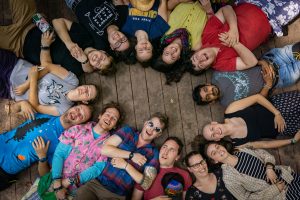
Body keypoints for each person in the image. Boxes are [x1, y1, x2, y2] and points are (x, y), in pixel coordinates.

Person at [22, 102, 124, 199]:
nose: (109, 118)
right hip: (52, 179)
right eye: (108, 114)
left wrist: (70, 181)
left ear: (114, 126)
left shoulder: (109, 144)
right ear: (100, 116)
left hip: (73, 191)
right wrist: (57, 182)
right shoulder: (77, 129)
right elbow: (60, 153)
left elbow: (97, 169)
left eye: (114, 118)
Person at [0, 0, 113, 77]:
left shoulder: (74, 71)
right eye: (102, 58)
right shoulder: (86, 38)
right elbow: (57, 22)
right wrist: (69, 44)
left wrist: (45, 46)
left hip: (18, 43)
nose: (98, 60)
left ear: (94, 68)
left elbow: (43, 69)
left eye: (99, 64)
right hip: (32, 21)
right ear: (102, 51)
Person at [75, 112, 169, 199]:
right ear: (145, 123)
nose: (151, 129)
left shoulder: (154, 153)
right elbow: (104, 149)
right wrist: (131, 155)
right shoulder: (128, 131)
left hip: (117, 195)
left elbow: (146, 183)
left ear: (158, 134)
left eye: (157, 129)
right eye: (151, 124)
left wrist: (126, 166)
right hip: (96, 185)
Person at [0, 102, 92, 190]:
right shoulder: (46, 112)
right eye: (78, 109)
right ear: (72, 107)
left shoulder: (62, 143)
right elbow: (13, 109)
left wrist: (42, 157)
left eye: (81, 116)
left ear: (80, 125)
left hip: (4, 171)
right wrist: (22, 103)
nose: (77, 113)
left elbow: (45, 175)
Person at [0, 33, 98, 116]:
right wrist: (27, 84)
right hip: (15, 67)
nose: (85, 90)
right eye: (87, 87)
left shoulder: (64, 109)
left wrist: (33, 81)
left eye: (88, 94)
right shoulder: (72, 80)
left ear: (85, 101)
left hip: (9, 90)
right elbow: (47, 66)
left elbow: (36, 107)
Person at [190, 1, 300, 73]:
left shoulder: (207, 37)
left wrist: (233, 29)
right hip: (273, 20)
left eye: (195, 58)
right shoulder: (221, 64)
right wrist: (234, 43)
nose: (200, 60)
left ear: (197, 51)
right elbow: (251, 62)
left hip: (254, 3)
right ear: (206, 67)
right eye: (200, 65)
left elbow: (226, 9)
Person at [192, 41, 300, 107]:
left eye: (206, 90)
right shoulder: (229, 104)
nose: (210, 92)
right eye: (208, 97)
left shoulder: (218, 72)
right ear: (211, 102)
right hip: (282, 78)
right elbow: (258, 101)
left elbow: (244, 58)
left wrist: (261, 62)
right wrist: (268, 84)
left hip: (273, 59)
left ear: (207, 84)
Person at [204, 140, 300, 199]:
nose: (219, 150)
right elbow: (246, 198)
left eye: (217, 146)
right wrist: (275, 190)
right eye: (214, 153)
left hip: (288, 177)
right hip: (281, 196)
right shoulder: (229, 178)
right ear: (214, 161)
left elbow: (265, 155)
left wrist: (269, 168)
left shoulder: (241, 150)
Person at [201, 91, 300, 147]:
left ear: (214, 123)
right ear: (217, 139)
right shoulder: (238, 143)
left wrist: (277, 113)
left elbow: (257, 98)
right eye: (213, 135)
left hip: (279, 105)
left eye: (212, 129)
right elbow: (265, 144)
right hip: (284, 127)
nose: (216, 132)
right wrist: (292, 141)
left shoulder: (230, 110)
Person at [152, 0, 212, 84]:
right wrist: (208, 9)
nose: (172, 52)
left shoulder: (165, 31)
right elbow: (212, 26)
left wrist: (180, 0)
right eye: (173, 57)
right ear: (178, 58)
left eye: (167, 53)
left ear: (164, 49)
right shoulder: (196, 46)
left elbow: (168, 7)